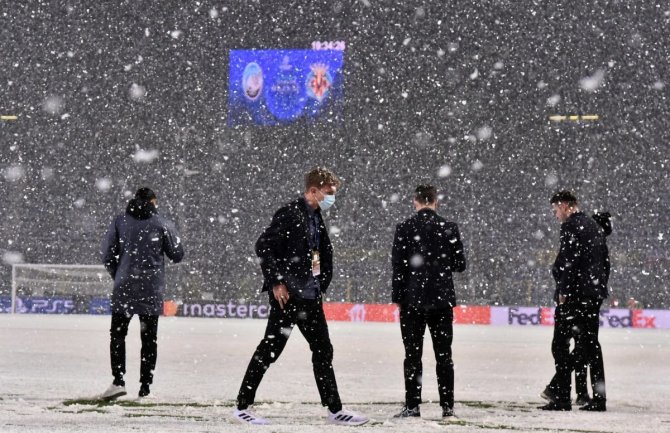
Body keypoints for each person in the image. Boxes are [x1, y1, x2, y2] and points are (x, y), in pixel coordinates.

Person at [232, 167, 368, 426]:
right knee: (270, 349)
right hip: (289, 297)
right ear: (313, 190)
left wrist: (319, 284)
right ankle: (242, 406)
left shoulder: (316, 217)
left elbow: (318, 253)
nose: (332, 198)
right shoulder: (290, 213)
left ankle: (334, 409)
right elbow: (263, 245)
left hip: (310, 296)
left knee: (323, 350)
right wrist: (276, 282)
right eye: (329, 193)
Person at [99, 187, 184, 400]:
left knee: (118, 335)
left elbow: (107, 254)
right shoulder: (161, 223)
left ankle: (118, 380)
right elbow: (177, 254)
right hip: (151, 288)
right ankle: (145, 388)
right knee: (149, 339)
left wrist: (119, 274)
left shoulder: (120, 221)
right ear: (153, 201)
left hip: (124, 287)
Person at [391, 185, 466, 419]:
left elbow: (398, 268)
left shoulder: (404, 228)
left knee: (412, 356)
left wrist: (399, 298)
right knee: (444, 355)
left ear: (415, 201)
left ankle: (412, 405)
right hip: (441, 300)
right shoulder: (449, 227)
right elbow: (459, 264)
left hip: (412, 300)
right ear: (436, 201)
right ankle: (447, 406)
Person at [539, 191, 609, 412]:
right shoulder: (593, 226)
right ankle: (598, 398)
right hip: (593, 293)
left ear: (565, 205)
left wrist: (563, 290)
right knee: (591, 346)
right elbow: (604, 262)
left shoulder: (571, 226)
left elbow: (569, 260)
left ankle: (561, 396)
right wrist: (598, 288)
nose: (555, 214)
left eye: (555, 209)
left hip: (575, 295)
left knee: (560, 345)